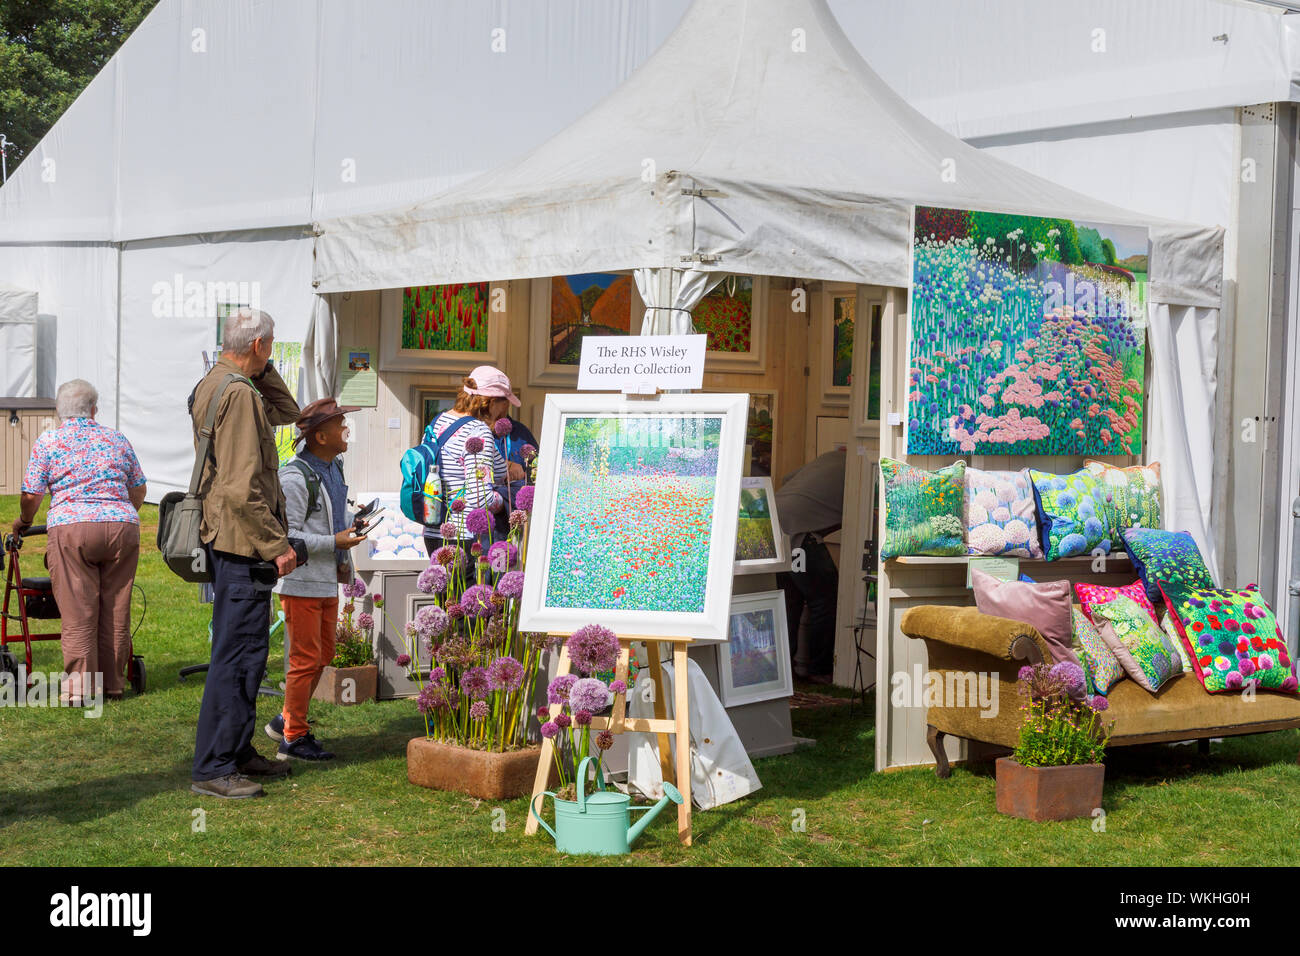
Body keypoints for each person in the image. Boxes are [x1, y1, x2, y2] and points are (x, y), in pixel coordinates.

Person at [188, 307, 300, 799]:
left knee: (248, 655)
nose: (271, 353)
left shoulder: (218, 382)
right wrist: (277, 545)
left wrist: (261, 363)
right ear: (258, 345)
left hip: (232, 540)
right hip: (242, 543)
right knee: (235, 658)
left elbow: (289, 410)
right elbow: (239, 488)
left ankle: (236, 752)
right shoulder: (236, 393)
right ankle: (214, 766)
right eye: (269, 346)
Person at [14, 379, 146, 705]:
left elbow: (32, 494)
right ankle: (114, 686)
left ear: (59, 411)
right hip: (121, 526)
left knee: (78, 612)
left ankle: (80, 691)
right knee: (116, 609)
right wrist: (117, 510)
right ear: (94, 409)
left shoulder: (49, 441)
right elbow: (139, 488)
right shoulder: (116, 438)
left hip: (71, 528)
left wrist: (25, 522)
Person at [266, 398, 366, 761]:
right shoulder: (294, 477)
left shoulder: (333, 467)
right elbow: (287, 537)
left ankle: (286, 720)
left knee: (323, 654)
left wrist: (354, 521)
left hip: (325, 579)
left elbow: (332, 514)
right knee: (305, 659)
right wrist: (335, 541)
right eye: (341, 424)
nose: (346, 430)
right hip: (302, 583)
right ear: (321, 436)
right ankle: (293, 738)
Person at [420, 366, 526, 560]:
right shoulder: (477, 432)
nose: (506, 411)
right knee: (473, 591)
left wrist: (512, 468)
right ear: (492, 402)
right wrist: (507, 502)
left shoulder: (437, 422)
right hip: (465, 538)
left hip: (434, 532)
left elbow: (495, 469)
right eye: (506, 403)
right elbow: (481, 497)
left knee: (446, 591)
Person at [773, 449, 846, 684]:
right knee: (825, 598)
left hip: (775, 526)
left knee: (789, 600)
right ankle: (819, 669)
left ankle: (785, 670)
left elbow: (787, 480)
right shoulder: (860, 467)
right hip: (798, 536)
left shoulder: (831, 457)